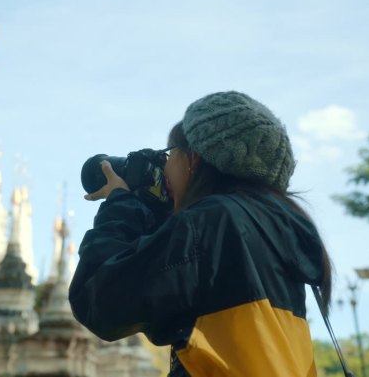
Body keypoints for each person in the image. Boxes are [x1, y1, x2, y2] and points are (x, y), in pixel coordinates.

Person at [69, 91, 333, 377]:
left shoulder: (211, 224)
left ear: (194, 159)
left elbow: (99, 301)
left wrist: (121, 204)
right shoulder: (279, 230)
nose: (165, 166)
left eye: (169, 154)